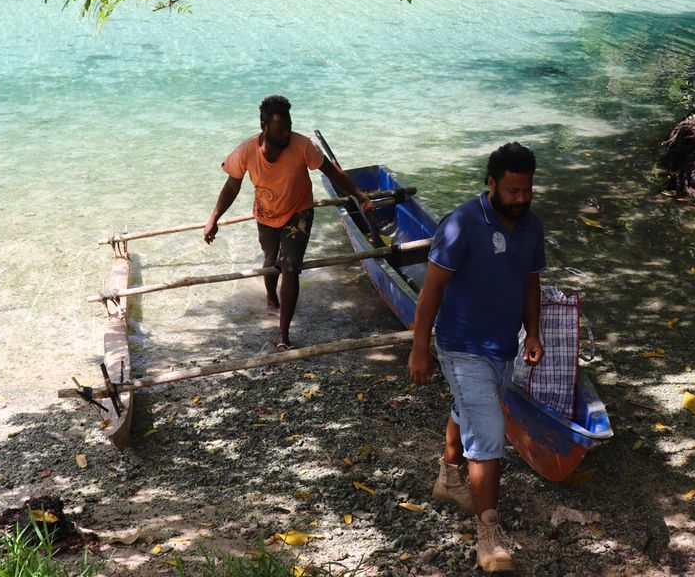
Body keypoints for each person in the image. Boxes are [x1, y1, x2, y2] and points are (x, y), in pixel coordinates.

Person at [407, 142, 545, 573]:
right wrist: (420, 347)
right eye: (512, 191)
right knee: (488, 430)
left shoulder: (531, 226)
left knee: (467, 407)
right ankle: (489, 534)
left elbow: (530, 283)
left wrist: (534, 332)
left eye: (527, 191)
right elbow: (432, 290)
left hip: (503, 346)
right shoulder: (463, 224)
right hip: (461, 345)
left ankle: (450, 478)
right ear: (491, 183)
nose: (521, 199)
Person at [203, 95, 374, 351]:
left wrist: (360, 196)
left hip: (299, 212)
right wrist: (214, 218)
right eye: (280, 129)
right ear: (264, 127)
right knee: (271, 262)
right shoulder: (246, 151)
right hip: (266, 215)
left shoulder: (303, 146)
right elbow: (231, 186)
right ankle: (271, 298)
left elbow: (332, 171)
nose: (286, 134)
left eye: (289, 127)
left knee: (290, 267)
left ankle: (283, 335)